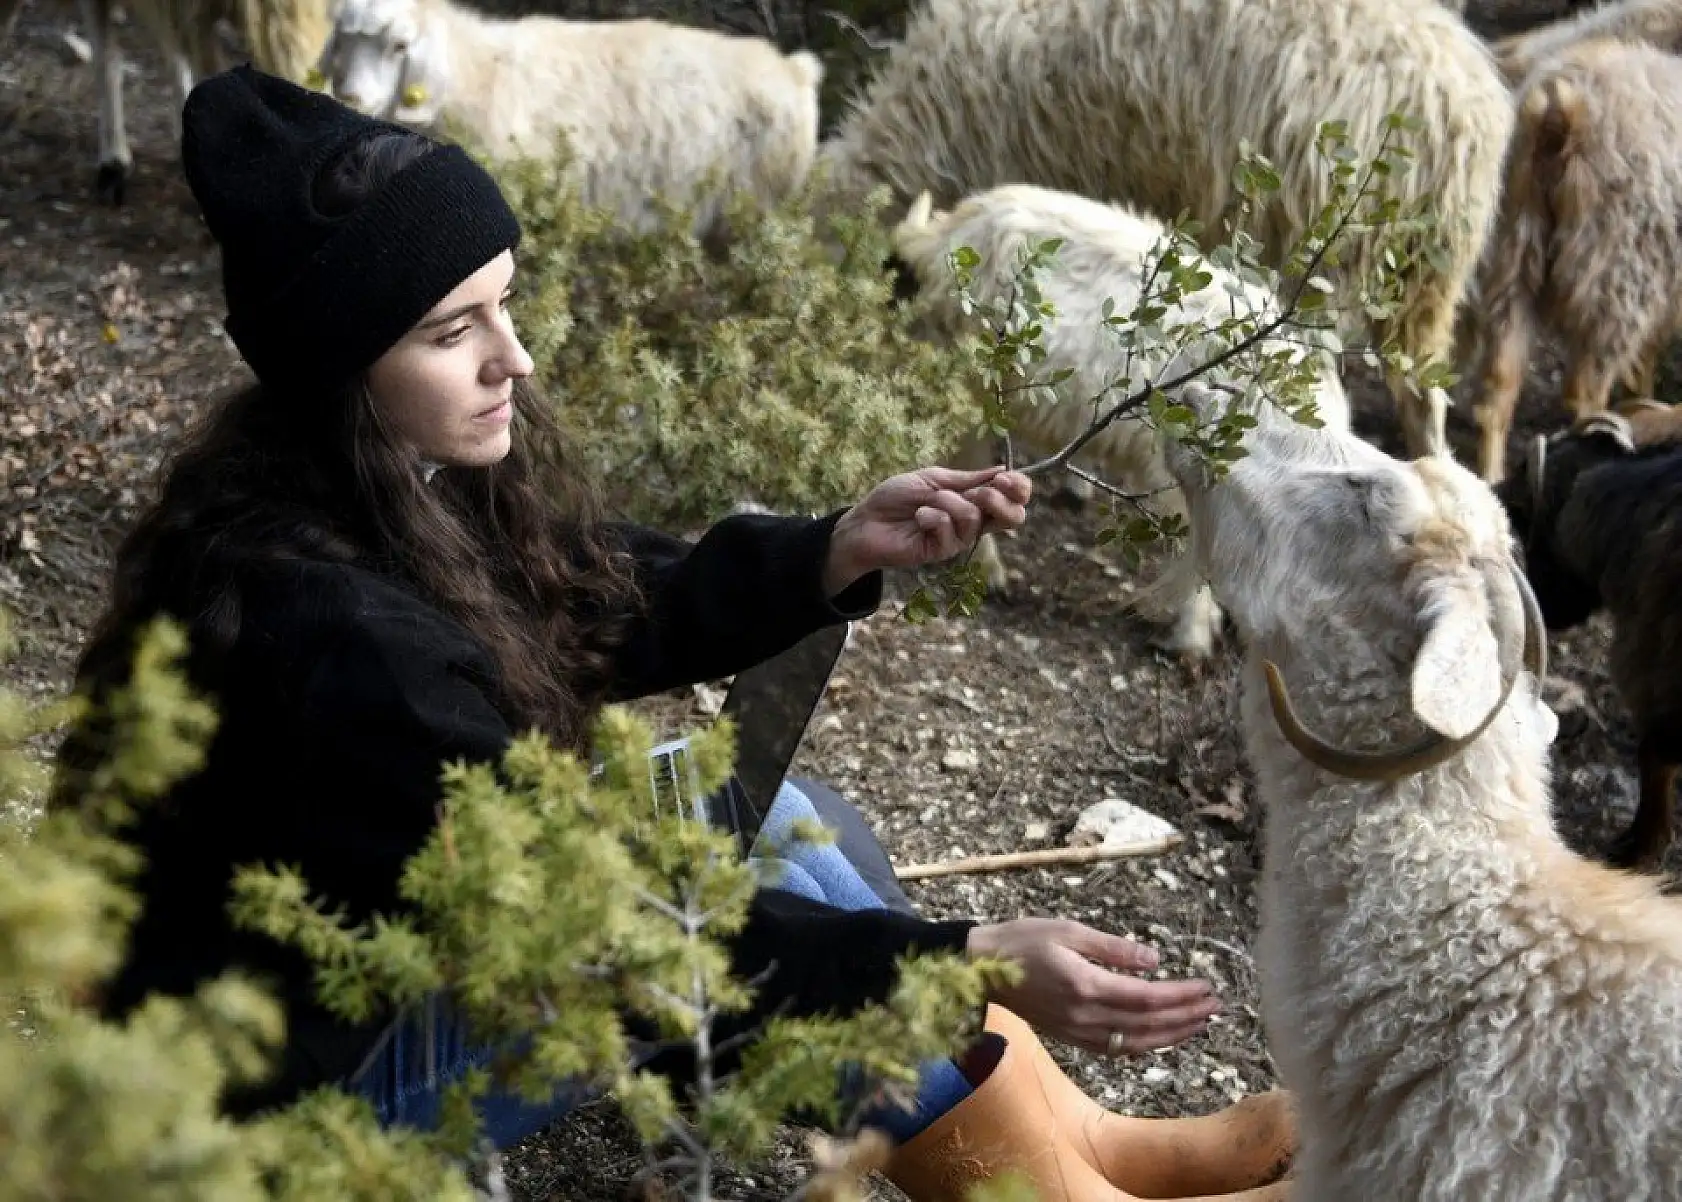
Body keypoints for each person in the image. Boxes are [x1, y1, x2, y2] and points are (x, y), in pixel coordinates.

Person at [50, 65, 1296, 1201]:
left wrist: (829, 549)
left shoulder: (378, 475)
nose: (514, 359)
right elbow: (617, 930)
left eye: (505, 305)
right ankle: (1040, 1189)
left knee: (791, 824)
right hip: (279, 1104)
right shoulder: (326, 627)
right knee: (714, 931)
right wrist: (961, 952)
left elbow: (591, 590)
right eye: (454, 332)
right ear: (339, 365)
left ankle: (1070, 1145)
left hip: (384, 953)